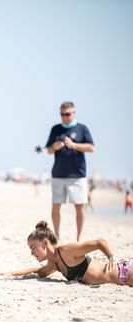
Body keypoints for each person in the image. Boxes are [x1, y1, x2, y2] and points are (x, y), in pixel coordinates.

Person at [2, 221, 132, 287]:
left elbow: (100, 242)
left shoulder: (66, 250)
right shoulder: (53, 264)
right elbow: (38, 272)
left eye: (33, 247)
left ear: (45, 243)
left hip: (123, 271)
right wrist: (11, 274)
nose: (32, 253)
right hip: (121, 281)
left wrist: (112, 259)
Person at [45, 101, 94, 241]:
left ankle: (79, 237)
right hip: (58, 174)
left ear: (74, 113)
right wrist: (54, 146)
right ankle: (57, 235)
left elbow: (91, 148)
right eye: (62, 114)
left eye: (67, 114)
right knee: (55, 206)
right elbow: (48, 150)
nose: (64, 117)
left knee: (79, 207)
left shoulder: (82, 129)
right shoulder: (55, 129)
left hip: (77, 175)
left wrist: (74, 145)